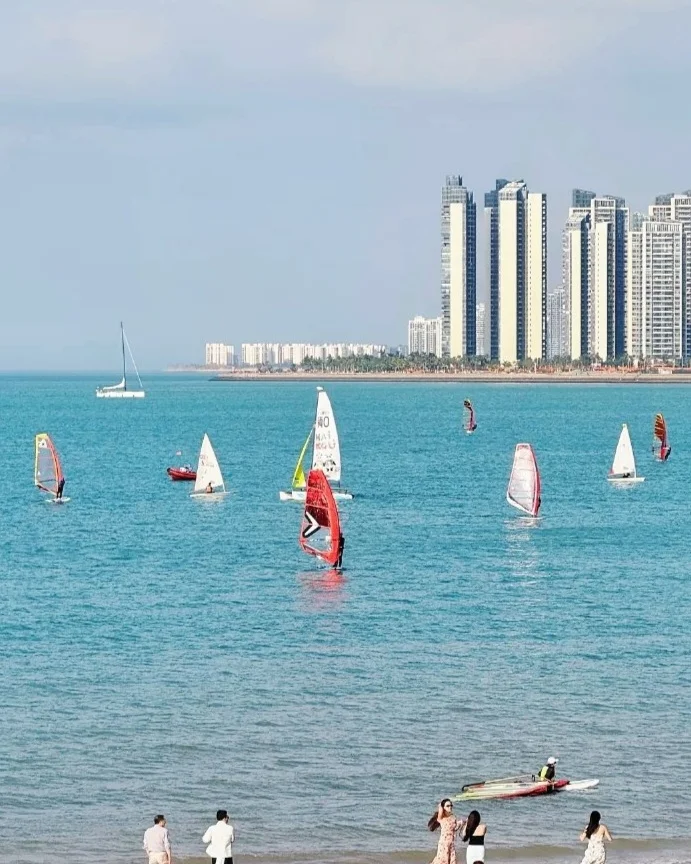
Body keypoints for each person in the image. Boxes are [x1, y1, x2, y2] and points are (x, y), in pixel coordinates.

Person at [428, 798, 465, 864]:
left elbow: (455, 828)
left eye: (451, 805)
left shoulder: (453, 817)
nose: (450, 807)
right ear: (443, 808)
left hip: (451, 843)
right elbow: (440, 807)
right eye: (448, 806)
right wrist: (441, 804)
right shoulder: (441, 817)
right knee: (442, 861)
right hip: (443, 844)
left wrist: (461, 823)